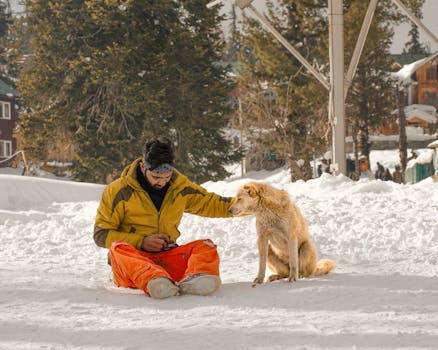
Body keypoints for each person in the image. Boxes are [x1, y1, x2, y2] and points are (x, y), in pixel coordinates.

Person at [94, 137, 236, 299]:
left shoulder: (180, 188)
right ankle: (154, 281)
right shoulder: (119, 191)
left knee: (205, 246)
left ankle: (197, 279)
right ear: (143, 167)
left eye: (167, 177)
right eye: (156, 177)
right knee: (118, 249)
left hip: (167, 259)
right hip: (133, 266)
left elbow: (213, 204)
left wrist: (254, 205)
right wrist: (142, 241)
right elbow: (101, 235)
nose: (161, 182)